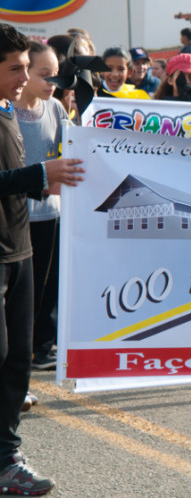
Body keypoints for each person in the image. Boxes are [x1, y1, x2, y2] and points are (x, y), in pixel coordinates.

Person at [0, 22, 84, 497]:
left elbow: (12, 178)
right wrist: (38, 174)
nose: (24, 77)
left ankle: (7, 460)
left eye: (26, 68)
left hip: (21, 250)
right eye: (16, 69)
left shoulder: (9, 110)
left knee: (17, 360)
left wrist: (44, 183)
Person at [11, 42, 68, 377]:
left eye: (56, 75)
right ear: (25, 72)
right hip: (16, 217)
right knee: (21, 293)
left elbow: (73, 148)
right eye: (44, 74)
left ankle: (42, 346)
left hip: (50, 213)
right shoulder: (7, 112)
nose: (52, 83)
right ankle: (19, 353)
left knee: (47, 285)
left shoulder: (56, 109)